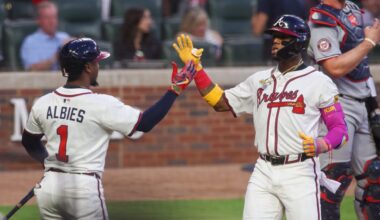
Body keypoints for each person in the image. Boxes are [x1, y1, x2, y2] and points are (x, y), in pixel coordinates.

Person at [173, 15, 348, 219]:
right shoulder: (259, 80)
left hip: (300, 171)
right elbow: (220, 102)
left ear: (298, 41)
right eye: (274, 36)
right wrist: (197, 70)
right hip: (263, 171)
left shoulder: (319, 82)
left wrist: (322, 144)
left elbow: (340, 130)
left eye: (282, 37)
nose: (275, 41)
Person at [21, 38, 196, 219]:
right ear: (88, 67)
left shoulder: (44, 102)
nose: (99, 67)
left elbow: (29, 141)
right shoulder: (101, 103)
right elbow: (144, 124)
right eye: (97, 62)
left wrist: (50, 165)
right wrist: (175, 89)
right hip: (83, 190)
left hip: (49, 188)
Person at [308, 0, 380, 219]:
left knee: (373, 179)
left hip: (362, 101)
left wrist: (373, 106)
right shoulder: (322, 18)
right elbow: (334, 67)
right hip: (336, 105)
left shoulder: (352, 9)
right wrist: (369, 41)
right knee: (332, 182)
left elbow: (362, 66)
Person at [252, 0, 318, 62]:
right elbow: (307, 27)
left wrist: (254, 14)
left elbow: (257, 30)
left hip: (274, 55)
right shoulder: (303, 1)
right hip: (298, 54)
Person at [20, 1, 71, 71]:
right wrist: (57, 55)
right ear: (38, 20)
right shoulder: (31, 42)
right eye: (47, 18)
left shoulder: (65, 37)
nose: (52, 21)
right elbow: (31, 70)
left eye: (54, 17)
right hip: (43, 81)